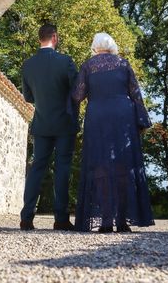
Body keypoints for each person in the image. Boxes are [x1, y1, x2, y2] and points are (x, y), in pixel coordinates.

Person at [72, 32, 155, 233]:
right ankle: (122, 222)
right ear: (112, 45)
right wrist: (142, 120)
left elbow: (78, 95)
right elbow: (135, 93)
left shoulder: (88, 66)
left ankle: (106, 221)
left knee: (100, 165)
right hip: (122, 118)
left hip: (98, 117)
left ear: (94, 46)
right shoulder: (123, 63)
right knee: (122, 166)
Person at [19, 23, 79, 231]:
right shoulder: (65, 62)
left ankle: (26, 218)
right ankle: (60, 218)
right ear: (54, 37)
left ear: (39, 39)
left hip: (42, 123)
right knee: (62, 169)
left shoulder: (27, 65)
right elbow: (77, 91)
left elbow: (28, 97)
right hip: (64, 123)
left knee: (36, 169)